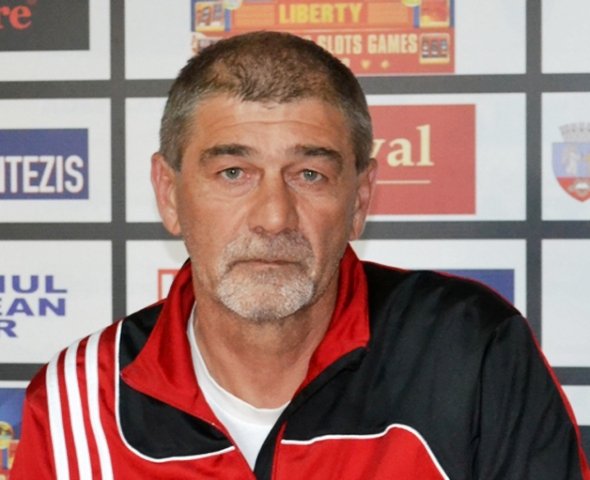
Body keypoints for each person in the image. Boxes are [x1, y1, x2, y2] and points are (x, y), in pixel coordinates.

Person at [11, 31, 590, 479]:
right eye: (233, 172)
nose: (273, 217)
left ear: (359, 199)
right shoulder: (78, 400)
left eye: (309, 174)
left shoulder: (469, 353)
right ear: (169, 193)